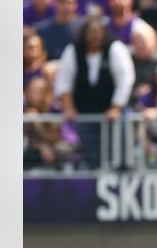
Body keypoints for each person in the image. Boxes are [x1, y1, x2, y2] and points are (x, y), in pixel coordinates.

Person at [54, 17, 136, 169]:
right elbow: (63, 81)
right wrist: (69, 107)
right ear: (84, 34)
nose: (95, 37)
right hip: (86, 112)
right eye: (91, 33)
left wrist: (116, 107)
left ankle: (123, 171)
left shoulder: (115, 49)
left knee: (118, 148)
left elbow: (125, 79)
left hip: (113, 112)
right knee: (93, 154)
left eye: (98, 33)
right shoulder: (73, 51)